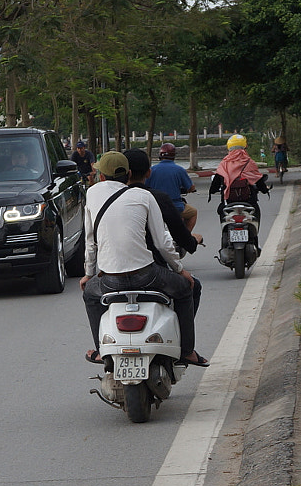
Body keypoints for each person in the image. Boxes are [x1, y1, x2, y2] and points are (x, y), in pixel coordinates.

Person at [80, 151, 208, 368]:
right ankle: (186, 351)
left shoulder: (92, 194)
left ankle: (102, 351)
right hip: (148, 276)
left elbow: (90, 241)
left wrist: (88, 274)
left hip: (110, 280)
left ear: (101, 176)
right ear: (128, 174)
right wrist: (179, 270)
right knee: (187, 290)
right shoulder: (145, 197)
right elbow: (162, 243)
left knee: (91, 295)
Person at [208, 134, 271, 222]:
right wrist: (265, 190)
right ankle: (254, 235)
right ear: (244, 148)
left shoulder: (224, 164)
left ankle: (224, 234)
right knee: (255, 212)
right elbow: (258, 180)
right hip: (249, 202)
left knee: (221, 212)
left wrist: (213, 191)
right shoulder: (249, 162)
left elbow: (215, 184)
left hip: (228, 202)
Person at [147, 142, 198, 233]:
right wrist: (190, 190)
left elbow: (145, 187)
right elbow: (191, 187)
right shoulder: (179, 170)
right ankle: (185, 239)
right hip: (176, 207)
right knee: (193, 213)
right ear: (173, 156)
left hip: (156, 207)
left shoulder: (152, 170)